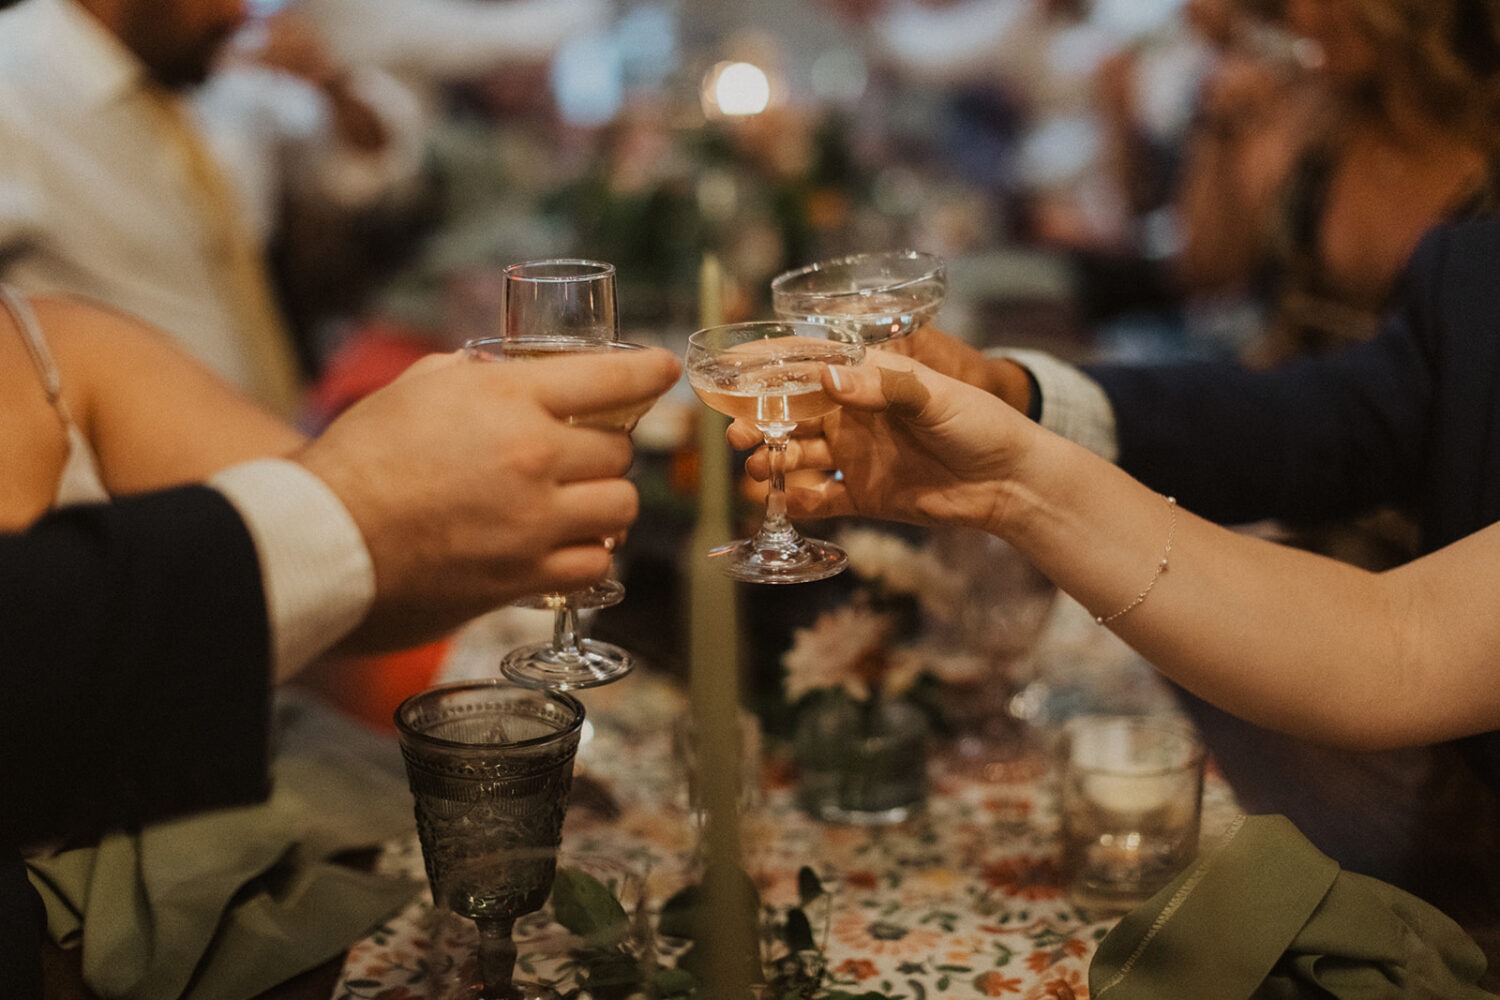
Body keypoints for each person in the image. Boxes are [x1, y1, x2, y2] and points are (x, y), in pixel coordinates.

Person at [735, 216, 1500, 956]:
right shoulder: (1474, 269)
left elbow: (1405, 645)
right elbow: (1322, 422)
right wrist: (1012, 401)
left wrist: (1019, 482)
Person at [0, 289, 681, 995]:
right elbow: (343, 526)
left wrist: (476, 511)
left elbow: (362, 575)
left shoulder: (53, 339)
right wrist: (353, 503)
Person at [0, 0, 429, 415]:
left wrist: (328, 78)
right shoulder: (14, 88)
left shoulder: (206, 80)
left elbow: (363, 165)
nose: (238, 12)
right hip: (127, 464)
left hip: (261, 426)